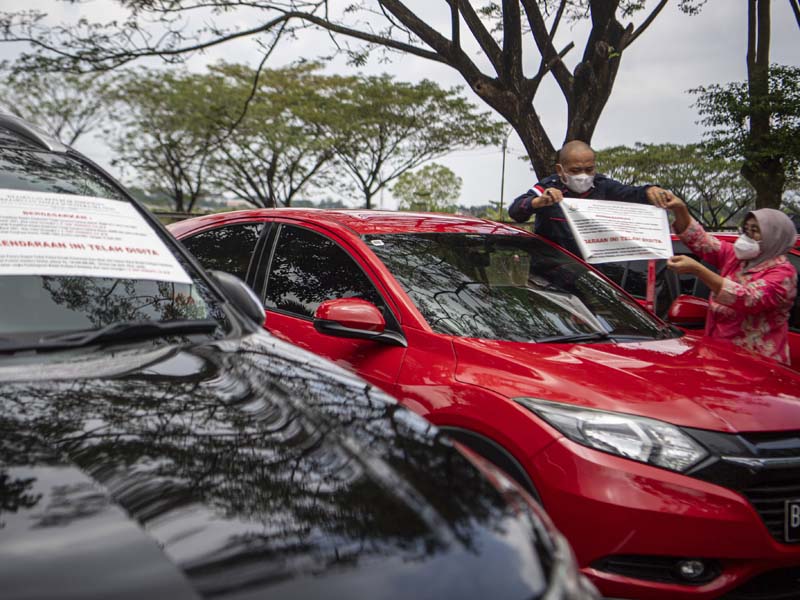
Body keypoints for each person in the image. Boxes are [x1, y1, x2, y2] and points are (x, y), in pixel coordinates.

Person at [665, 195, 798, 365]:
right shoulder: (736, 258)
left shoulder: (783, 273)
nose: (747, 236)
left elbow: (748, 298)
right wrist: (680, 209)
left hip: (756, 363)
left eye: (755, 231)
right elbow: (700, 241)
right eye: (746, 229)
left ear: (774, 237)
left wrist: (698, 270)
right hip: (718, 355)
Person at [509, 140, 670, 255]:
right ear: (560, 170)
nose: (583, 176)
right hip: (551, 274)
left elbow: (631, 193)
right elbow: (516, 210)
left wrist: (650, 190)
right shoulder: (548, 187)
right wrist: (538, 202)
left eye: (589, 169)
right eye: (575, 170)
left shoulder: (603, 186)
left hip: (592, 277)